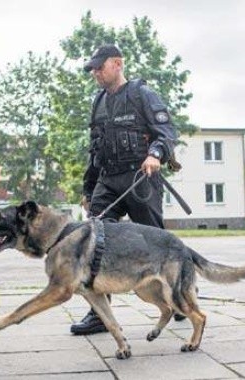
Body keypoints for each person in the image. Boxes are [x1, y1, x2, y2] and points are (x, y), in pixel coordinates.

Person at [70, 44, 182, 335]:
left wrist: (156, 154)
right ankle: (99, 315)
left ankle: (179, 298)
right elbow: (95, 149)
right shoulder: (98, 102)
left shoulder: (141, 94)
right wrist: (89, 188)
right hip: (108, 180)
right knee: (93, 241)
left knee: (155, 243)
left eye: (99, 66)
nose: (95, 72)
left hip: (141, 178)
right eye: (92, 68)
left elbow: (167, 132)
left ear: (117, 63)